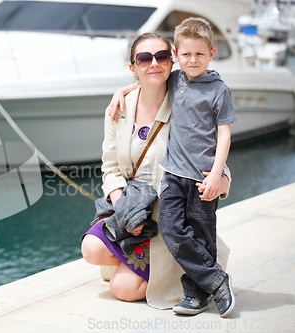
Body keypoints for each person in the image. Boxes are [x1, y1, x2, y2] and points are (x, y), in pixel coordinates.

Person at [81, 32, 232, 309]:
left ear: (172, 62)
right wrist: (124, 208)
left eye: (161, 56)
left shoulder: (187, 103)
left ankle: (195, 272)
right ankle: (138, 259)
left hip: (172, 218)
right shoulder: (120, 106)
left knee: (124, 289)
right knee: (91, 249)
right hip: (134, 209)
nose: (154, 63)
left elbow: (209, 155)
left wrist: (222, 180)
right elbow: (110, 167)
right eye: (144, 58)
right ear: (133, 67)